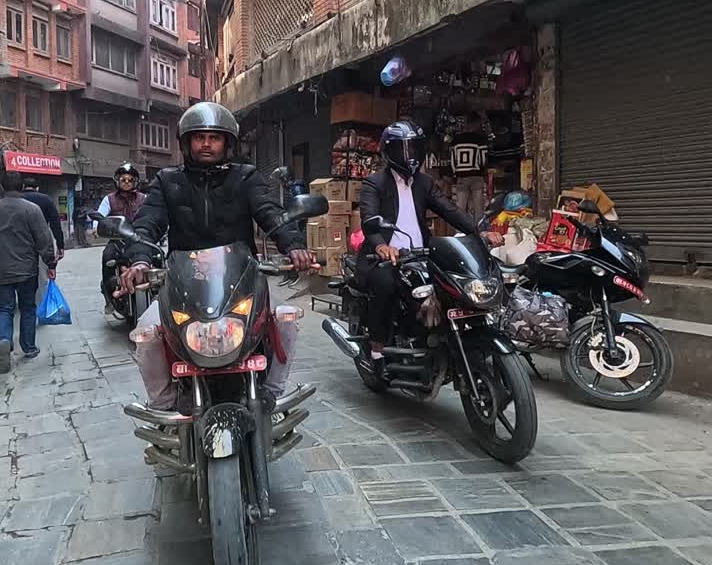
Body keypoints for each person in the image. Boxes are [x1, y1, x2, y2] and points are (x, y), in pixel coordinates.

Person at [117, 102, 315, 410]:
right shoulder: (168, 181)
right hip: (184, 282)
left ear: (228, 143)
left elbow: (270, 213)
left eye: (214, 137)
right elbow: (148, 222)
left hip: (241, 282)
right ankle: (164, 404)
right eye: (199, 137)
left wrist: (294, 245)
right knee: (145, 333)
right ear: (186, 143)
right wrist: (141, 259)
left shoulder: (246, 178)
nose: (206, 143)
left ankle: (273, 393)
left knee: (286, 320)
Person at [357, 120, 497, 358]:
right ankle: (377, 345)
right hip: (385, 257)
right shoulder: (374, 183)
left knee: (453, 283)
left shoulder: (424, 182)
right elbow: (369, 219)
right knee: (386, 285)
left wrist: (478, 231)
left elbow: (449, 210)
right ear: (389, 151)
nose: (409, 155)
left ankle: (438, 336)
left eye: (413, 148)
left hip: (421, 253)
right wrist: (381, 244)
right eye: (403, 149)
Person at [0, 172, 57, 373]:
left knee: (2, 309)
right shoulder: (32, 210)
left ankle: (5, 340)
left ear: (1, 186)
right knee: (27, 308)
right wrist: (51, 264)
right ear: (22, 186)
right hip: (27, 270)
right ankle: (29, 347)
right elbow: (44, 239)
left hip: (0, 270)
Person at [92, 162, 147, 307]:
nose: (127, 182)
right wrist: (96, 227)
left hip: (140, 239)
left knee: (158, 259)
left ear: (135, 181)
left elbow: (153, 215)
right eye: (123, 179)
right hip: (118, 241)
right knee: (107, 257)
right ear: (118, 181)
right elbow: (100, 215)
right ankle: (109, 295)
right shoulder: (109, 199)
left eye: (130, 180)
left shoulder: (144, 198)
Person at [22, 178, 66, 262]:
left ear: (23, 187)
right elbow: (55, 224)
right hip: (42, 242)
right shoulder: (46, 199)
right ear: (37, 188)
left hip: (21, 243)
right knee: (43, 271)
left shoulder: (18, 199)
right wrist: (60, 245)